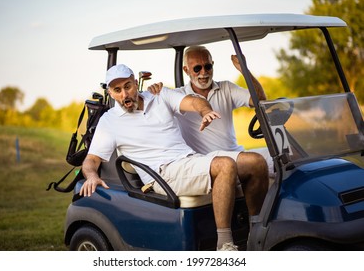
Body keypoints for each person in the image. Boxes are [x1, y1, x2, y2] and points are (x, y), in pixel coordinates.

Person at [80, 64, 241, 251]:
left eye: (127, 86)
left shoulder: (159, 95)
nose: (124, 94)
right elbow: (92, 159)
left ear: (135, 82)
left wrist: (204, 111)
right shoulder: (110, 121)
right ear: (110, 93)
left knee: (253, 163)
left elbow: (193, 101)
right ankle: (225, 246)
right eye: (117, 90)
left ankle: (255, 233)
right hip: (161, 173)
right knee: (225, 166)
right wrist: (91, 175)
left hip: (188, 160)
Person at [148, 46, 270, 220]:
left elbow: (260, 100)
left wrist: (244, 70)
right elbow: (149, 110)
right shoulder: (178, 97)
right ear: (186, 70)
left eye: (208, 66)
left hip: (236, 153)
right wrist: (154, 90)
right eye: (197, 68)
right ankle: (258, 227)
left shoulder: (226, 88)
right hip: (207, 160)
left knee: (289, 155)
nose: (203, 72)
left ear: (213, 65)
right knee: (256, 162)